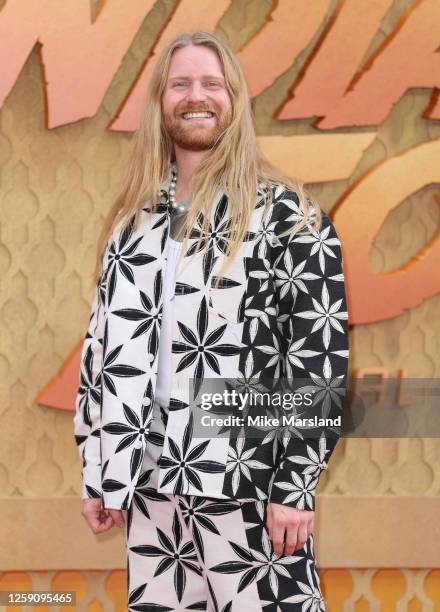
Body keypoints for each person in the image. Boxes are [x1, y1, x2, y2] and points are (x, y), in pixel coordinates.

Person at [74, 30, 349, 611]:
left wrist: (295, 485)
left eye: (210, 83)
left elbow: (318, 361)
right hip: (151, 490)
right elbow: (100, 355)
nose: (194, 96)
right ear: (160, 102)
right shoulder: (133, 226)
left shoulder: (289, 217)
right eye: (180, 84)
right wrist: (99, 470)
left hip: (250, 486)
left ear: (235, 99)